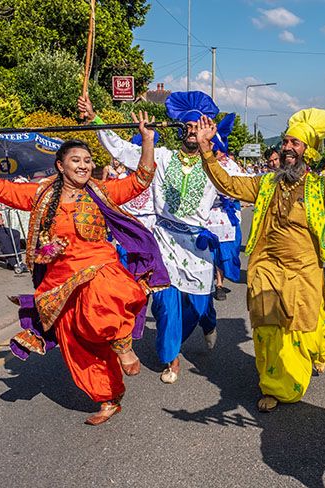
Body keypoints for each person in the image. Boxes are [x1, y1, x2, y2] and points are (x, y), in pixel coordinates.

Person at [0, 114, 167, 425]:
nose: (84, 165)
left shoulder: (100, 191)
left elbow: (141, 180)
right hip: (59, 282)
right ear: (61, 165)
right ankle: (108, 397)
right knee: (78, 344)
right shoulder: (40, 194)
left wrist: (148, 140)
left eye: (87, 160)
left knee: (105, 298)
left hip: (101, 267)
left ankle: (124, 346)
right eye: (76, 160)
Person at [198, 108, 325, 413]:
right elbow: (229, 184)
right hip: (266, 267)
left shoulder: (320, 186)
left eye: (295, 143)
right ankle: (275, 386)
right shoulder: (265, 184)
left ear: (308, 152)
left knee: (302, 328)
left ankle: (317, 345)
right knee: (266, 328)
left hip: (304, 270)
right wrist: (206, 149)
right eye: (286, 142)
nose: (287, 147)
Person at [79, 91, 222, 385]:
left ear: (208, 130)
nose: (192, 130)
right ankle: (172, 358)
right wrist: (95, 117)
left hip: (197, 247)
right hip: (164, 240)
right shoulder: (161, 157)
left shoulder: (216, 165)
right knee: (165, 303)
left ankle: (208, 321)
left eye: (199, 125)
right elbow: (119, 148)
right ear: (180, 128)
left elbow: (243, 187)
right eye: (188, 125)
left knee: (198, 307)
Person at [207, 114, 245, 301]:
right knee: (210, 251)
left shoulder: (232, 166)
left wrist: (226, 193)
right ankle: (214, 282)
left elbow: (240, 187)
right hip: (207, 215)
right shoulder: (204, 164)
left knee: (225, 251)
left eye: (217, 147)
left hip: (227, 215)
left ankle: (220, 282)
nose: (215, 151)